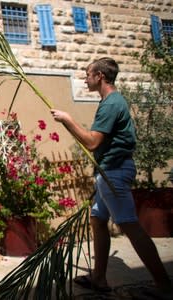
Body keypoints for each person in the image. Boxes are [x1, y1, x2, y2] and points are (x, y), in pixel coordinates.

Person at [50, 57, 172, 295]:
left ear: (100, 77)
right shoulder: (110, 101)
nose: (85, 79)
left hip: (114, 172)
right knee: (98, 220)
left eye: (88, 74)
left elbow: (92, 142)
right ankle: (99, 278)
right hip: (109, 171)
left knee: (129, 224)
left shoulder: (111, 104)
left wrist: (67, 120)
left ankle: (164, 285)